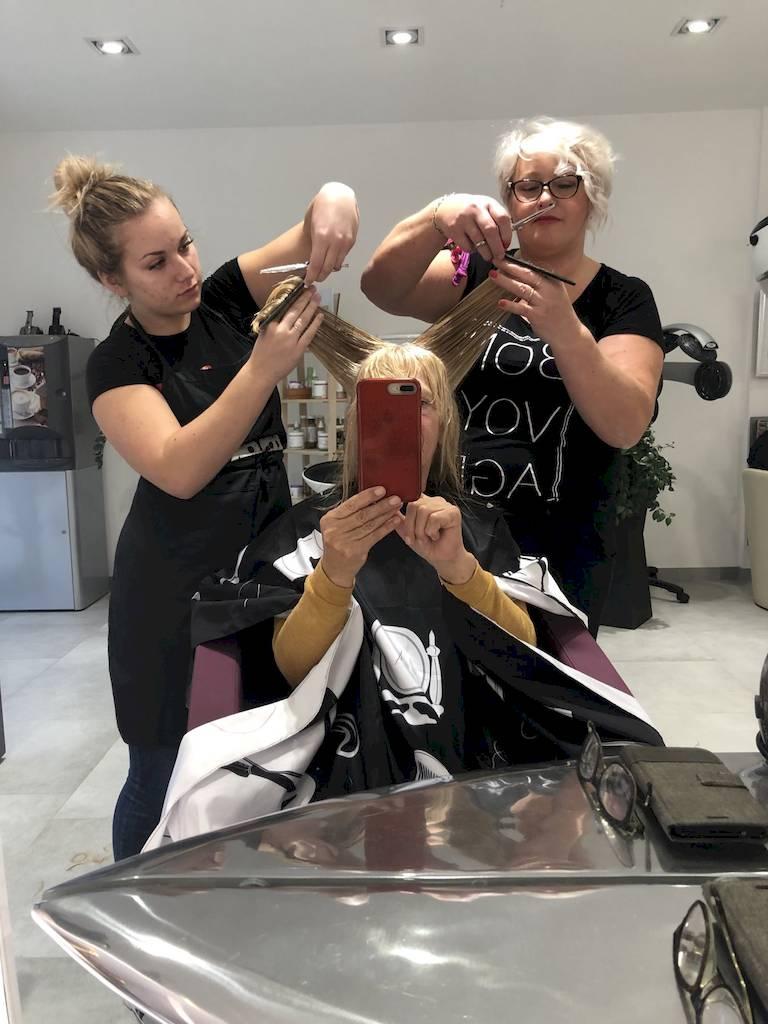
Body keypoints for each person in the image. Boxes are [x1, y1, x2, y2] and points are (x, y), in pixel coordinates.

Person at [145, 336, 660, 849]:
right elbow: (293, 671)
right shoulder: (307, 535)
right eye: (381, 407)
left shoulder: (477, 529)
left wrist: (460, 569)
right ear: (355, 426)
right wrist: (334, 574)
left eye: (421, 403)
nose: (402, 420)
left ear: (445, 424)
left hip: (481, 752)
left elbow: (524, 647)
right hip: (345, 764)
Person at [50, 155, 359, 859]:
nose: (185, 270)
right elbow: (181, 468)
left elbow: (314, 225)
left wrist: (336, 197)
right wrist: (263, 369)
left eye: (185, 244)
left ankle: (230, 895)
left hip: (260, 575)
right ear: (112, 280)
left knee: (260, 757)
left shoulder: (221, 298)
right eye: (156, 262)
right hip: (170, 596)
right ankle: (134, 905)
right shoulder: (117, 363)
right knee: (162, 771)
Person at [361, 117, 665, 634]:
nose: (545, 197)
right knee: (450, 667)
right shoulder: (473, 277)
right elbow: (381, 287)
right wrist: (437, 216)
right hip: (453, 533)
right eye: (529, 185)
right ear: (509, 200)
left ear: (592, 198)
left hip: (564, 546)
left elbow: (624, 424)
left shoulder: (623, 298)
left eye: (565, 183)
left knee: (548, 673)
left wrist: (566, 330)